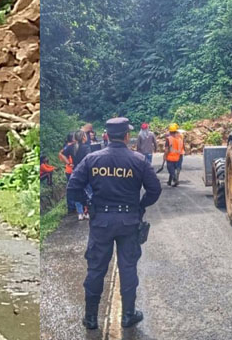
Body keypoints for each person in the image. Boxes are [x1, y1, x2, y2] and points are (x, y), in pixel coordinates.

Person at [68, 117, 162, 330]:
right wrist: (140, 206)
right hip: (129, 222)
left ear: (107, 136)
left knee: (96, 269)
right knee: (128, 268)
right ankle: (128, 315)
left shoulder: (92, 159)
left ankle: (90, 318)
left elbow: (73, 186)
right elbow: (155, 190)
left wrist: (88, 204)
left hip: (101, 222)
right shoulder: (138, 160)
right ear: (127, 136)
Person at [59, 133, 78, 214]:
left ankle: (74, 206)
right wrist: (69, 163)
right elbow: (60, 155)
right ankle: (71, 207)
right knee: (71, 189)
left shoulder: (72, 146)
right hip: (70, 170)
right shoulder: (68, 147)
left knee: (73, 188)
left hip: (71, 169)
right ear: (72, 139)